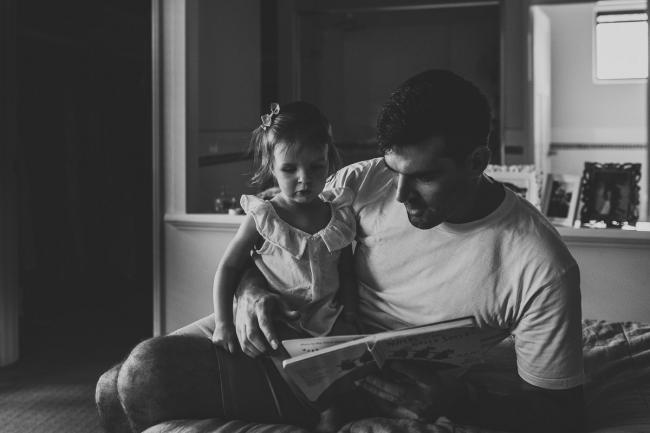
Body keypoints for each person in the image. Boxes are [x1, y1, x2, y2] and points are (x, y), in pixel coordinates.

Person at [95, 70, 584, 433]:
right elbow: (284, 231)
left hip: (369, 384)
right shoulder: (362, 179)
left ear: (478, 161)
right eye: (396, 171)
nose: (399, 195)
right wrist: (249, 288)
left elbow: (561, 411)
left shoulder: (541, 265)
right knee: (109, 385)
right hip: (295, 327)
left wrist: (464, 399)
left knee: (143, 377)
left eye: (425, 177)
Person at [212, 101, 358, 354]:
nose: (304, 178)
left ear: (329, 161)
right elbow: (229, 267)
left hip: (329, 321)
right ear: (272, 167)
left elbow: (346, 271)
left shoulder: (339, 216)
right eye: (290, 169)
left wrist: (352, 313)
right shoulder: (265, 217)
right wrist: (223, 322)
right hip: (279, 319)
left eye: (316, 167)